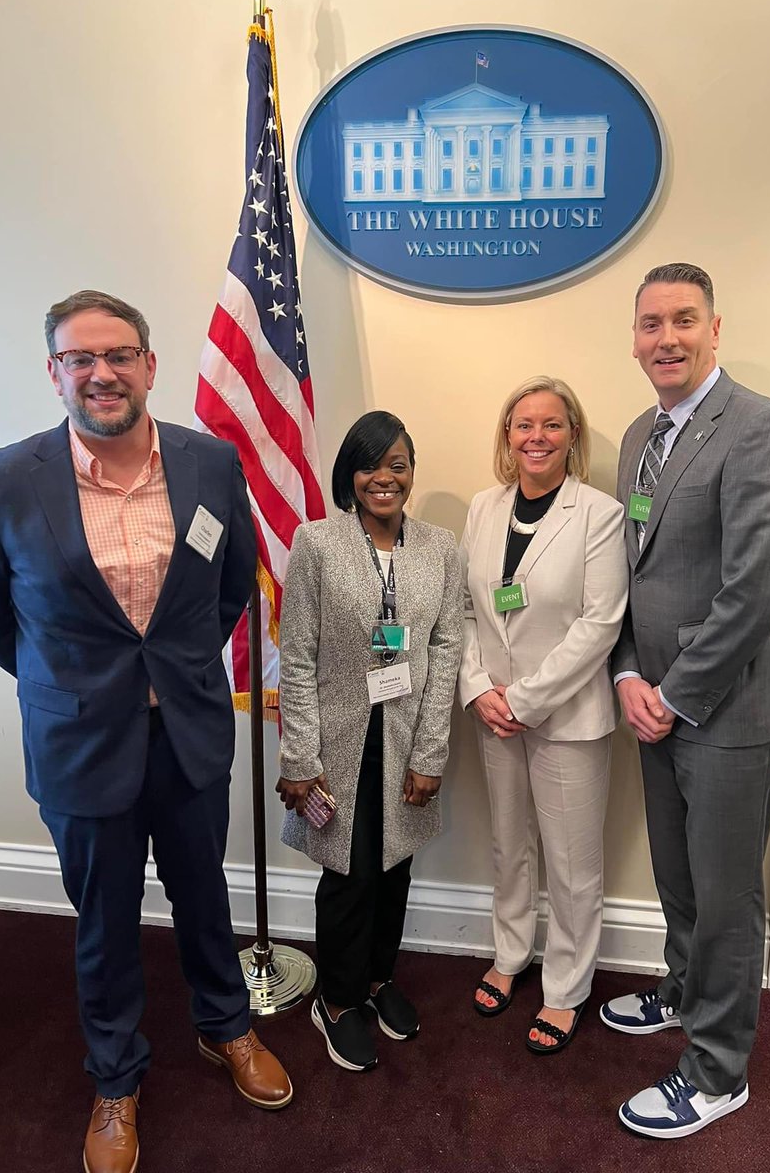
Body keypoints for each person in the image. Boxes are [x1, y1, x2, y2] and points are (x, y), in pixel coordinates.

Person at [0, 291, 292, 1173]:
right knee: (105, 918)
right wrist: (71, 684)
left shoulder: (211, 464)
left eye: (119, 355)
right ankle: (115, 1077)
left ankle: (224, 1028)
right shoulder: (3, 479)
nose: (102, 373)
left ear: (150, 365)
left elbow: (230, 588)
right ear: (54, 374)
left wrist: (174, 672)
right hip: (80, 743)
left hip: (188, 731)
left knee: (206, 895)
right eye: (80, 359)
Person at [601, 262, 770, 1137]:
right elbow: (632, 575)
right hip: (651, 702)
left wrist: (674, 694)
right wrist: (626, 677)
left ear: (715, 329)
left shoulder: (762, 431)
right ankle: (684, 992)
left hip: (728, 709)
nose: (667, 339)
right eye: (651, 324)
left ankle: (720, 1069)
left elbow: (754, 590)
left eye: (683, 320)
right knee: (680, 877)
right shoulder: (636, 438)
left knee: (728, 898)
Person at [276, 410, 462, 1072]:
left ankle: (380, 981)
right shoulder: (316, 543)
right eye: (370, 464)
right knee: (349, 876)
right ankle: (340, 1000)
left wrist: (430, 753)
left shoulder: (442, 549)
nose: (384, 477)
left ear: (411, 473)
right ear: (349, 476)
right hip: (337, 743)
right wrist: (299, 757)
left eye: (398, 464)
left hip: (408, 737)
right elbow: (295, 656)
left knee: (395, 867)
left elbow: (446, 652)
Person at [459, 377, 628, 1054]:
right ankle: (510, 952)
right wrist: (479, 689)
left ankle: (565, 989)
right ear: (507, 436)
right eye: (523, 424)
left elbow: (601, 623)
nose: (536, 436)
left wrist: (526, 701)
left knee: (570, 861)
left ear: (572, 436)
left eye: (552, 425)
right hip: (493, 712)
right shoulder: (482, 507)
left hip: (567, 718)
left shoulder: (600, 513)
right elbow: (467, 609)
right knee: (508, 843)